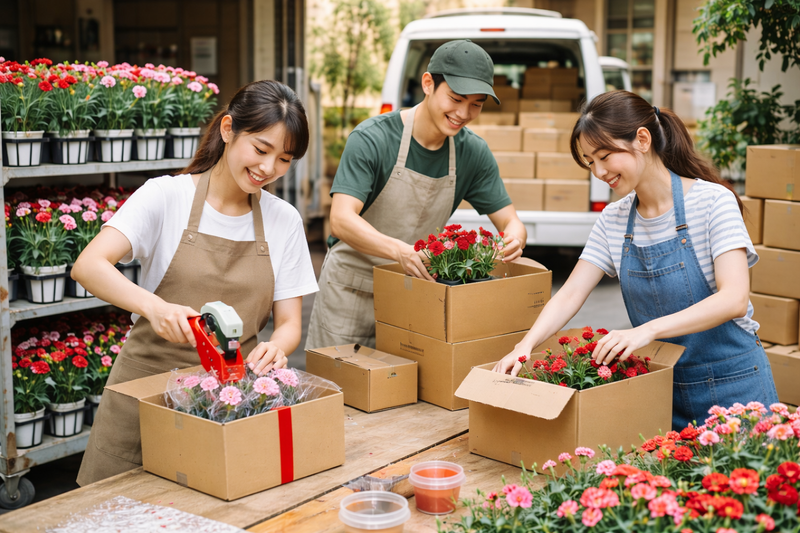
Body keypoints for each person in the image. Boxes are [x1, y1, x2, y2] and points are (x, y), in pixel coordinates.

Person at [74, 80, 319, 485]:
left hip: (232, 399)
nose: (268, 169)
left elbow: (290, 322)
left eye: (284, 159)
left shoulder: (283, 220)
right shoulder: (165, 196)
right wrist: (154, 307)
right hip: (146, 392)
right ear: (227, 130)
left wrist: (277, 347)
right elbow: (89, 265)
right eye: (260, 149)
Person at [493, 90, 778, 430]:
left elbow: (733, 299)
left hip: (736, 386)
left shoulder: (712, 202)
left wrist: (644, 332)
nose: (598, 171)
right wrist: (523, 347)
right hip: (662, 392)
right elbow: (569, 294)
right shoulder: (614, 219)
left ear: (642, 139)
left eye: (605, 156)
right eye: (589, 162)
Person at [306, 39, 527, 350]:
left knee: (404, 394)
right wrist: (401, 251)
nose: (463, 113)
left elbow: (511, 221)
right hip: (350, 291)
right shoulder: (372, 138)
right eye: (455, 98)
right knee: (340, 391)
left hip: (414, 295)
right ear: (428, 84)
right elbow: (341, 220)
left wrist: (514, 237)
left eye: (476, 104)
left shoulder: (472, 153)